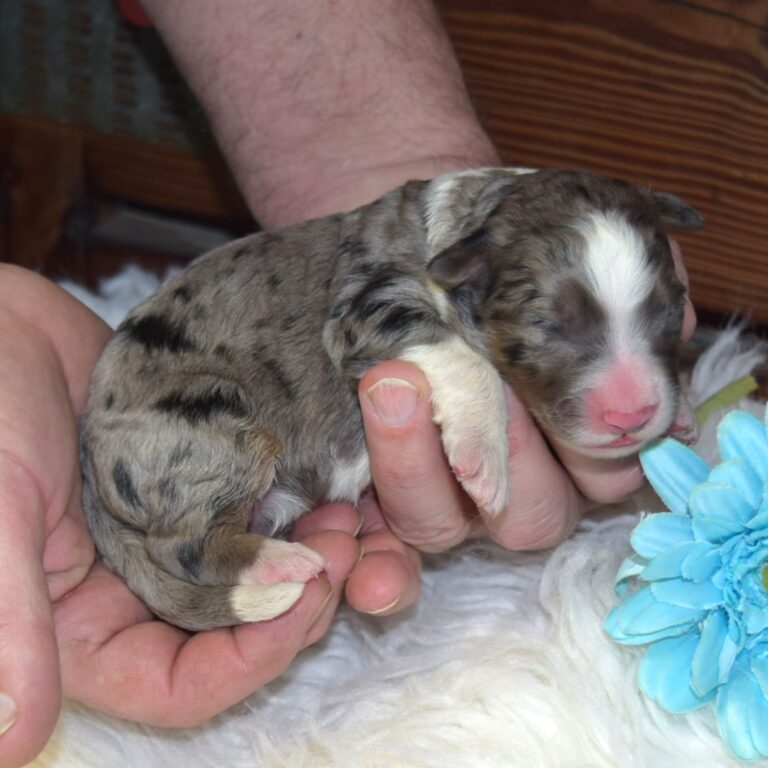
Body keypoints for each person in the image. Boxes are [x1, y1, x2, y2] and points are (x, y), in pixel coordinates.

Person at [0, 2, 697, 766]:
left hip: (278, 444)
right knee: (223, 448)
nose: (633, 395)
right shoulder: (417, 272)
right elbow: (367, 327)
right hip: (184, 399)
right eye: (560, 326)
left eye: (658, 317)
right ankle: (209, 563)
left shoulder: (456, 245)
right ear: (464, 273)